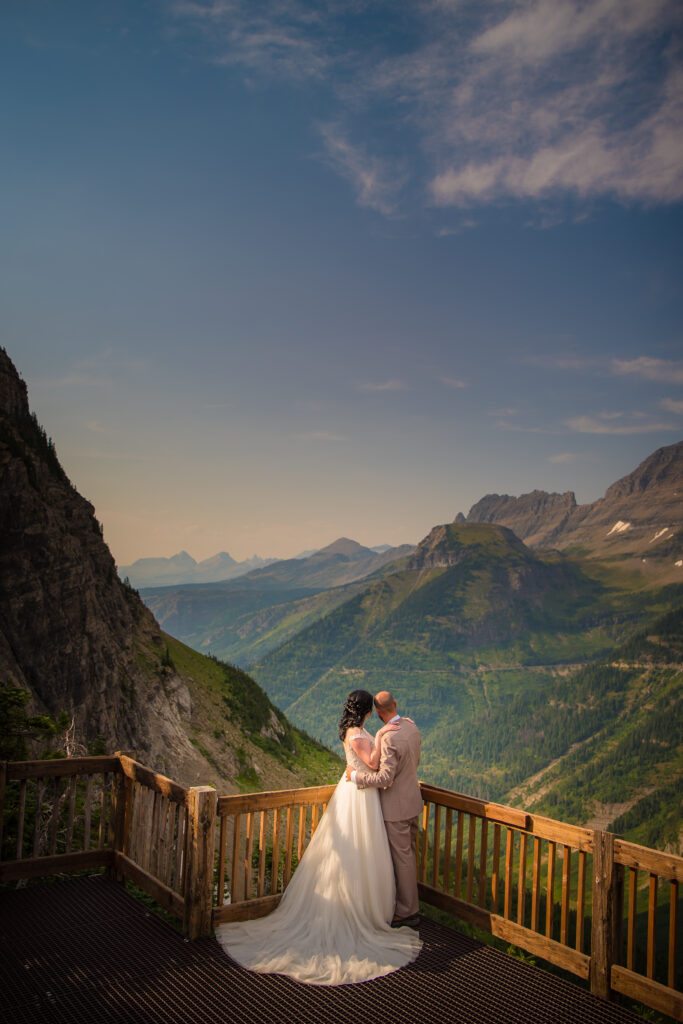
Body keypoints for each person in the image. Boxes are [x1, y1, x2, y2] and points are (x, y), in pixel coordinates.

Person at [215, 689, 422, 985]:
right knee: (358, 853)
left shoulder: (360, 730)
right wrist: (379, 741)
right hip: (359, 795)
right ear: (368, 711)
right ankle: (361, 910)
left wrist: (379, 738)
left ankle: (373, 907)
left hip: (362, 795)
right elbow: (375, 766)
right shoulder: (362, 734)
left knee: (362, 853)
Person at [346, 691, 423, 928]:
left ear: (377, 713)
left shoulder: (388, 737)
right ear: (395, 705)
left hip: (395, 808)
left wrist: (355, 776)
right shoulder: (411, 727)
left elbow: (385, 778)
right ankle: (405, 905)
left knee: (402, 860)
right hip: (412, 802)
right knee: (408, 855)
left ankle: (408, 911)